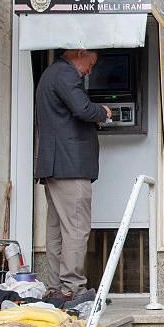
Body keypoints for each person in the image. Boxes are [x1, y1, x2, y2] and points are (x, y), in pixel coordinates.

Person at [35, 49, 111, 300]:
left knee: (57, 229)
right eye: (92, 61)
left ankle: (57, 287)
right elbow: (82, 109)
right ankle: (73, 288)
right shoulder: (66, 74)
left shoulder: (51, 73)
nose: (91, 69)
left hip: (55, 164)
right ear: (81, 52)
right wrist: (102, 112)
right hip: (71, 165)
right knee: (76, 228)